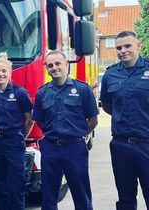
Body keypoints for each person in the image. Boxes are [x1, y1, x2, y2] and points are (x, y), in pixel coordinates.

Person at [32, 50, 98, 210]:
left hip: (74, 148)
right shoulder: (42, 93)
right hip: (50, 148)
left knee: (81, 192)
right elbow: (39, 120)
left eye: (57, 64)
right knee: (48, 195)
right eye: (50, 65)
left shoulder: (82, 90)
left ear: (66, 65)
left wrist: (76, 135)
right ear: (47, 69)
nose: (54, 68)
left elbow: (93, 120)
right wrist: (53, 134)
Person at [100, 31, 149, 210]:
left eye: (127, 46)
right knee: (125, 198)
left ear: (138, 46)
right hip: (121, 146)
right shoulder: (110, 75)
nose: (122, 51)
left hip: (146, 144)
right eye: (119, 47)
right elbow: (107, 105)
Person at [0, 52, 33, 210]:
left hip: (14, 141)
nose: (0, 74)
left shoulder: (20, 93)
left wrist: (21, 136)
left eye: (3, 71)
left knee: (15, 184)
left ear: (10, 73)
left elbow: (29, 118)